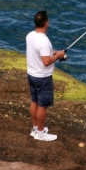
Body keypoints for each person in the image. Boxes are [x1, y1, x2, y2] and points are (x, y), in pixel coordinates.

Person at [26, 10, 67, 142]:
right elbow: (46, 62)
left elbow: (40, 52)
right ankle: (40, 132)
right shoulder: (44, 41)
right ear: (46, 23)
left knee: (34, 101)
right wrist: (58, 56)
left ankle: (35, 128)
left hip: (31, 74)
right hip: (42, 77)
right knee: (43, 105)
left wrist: (54, 52)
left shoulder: (30, 36)